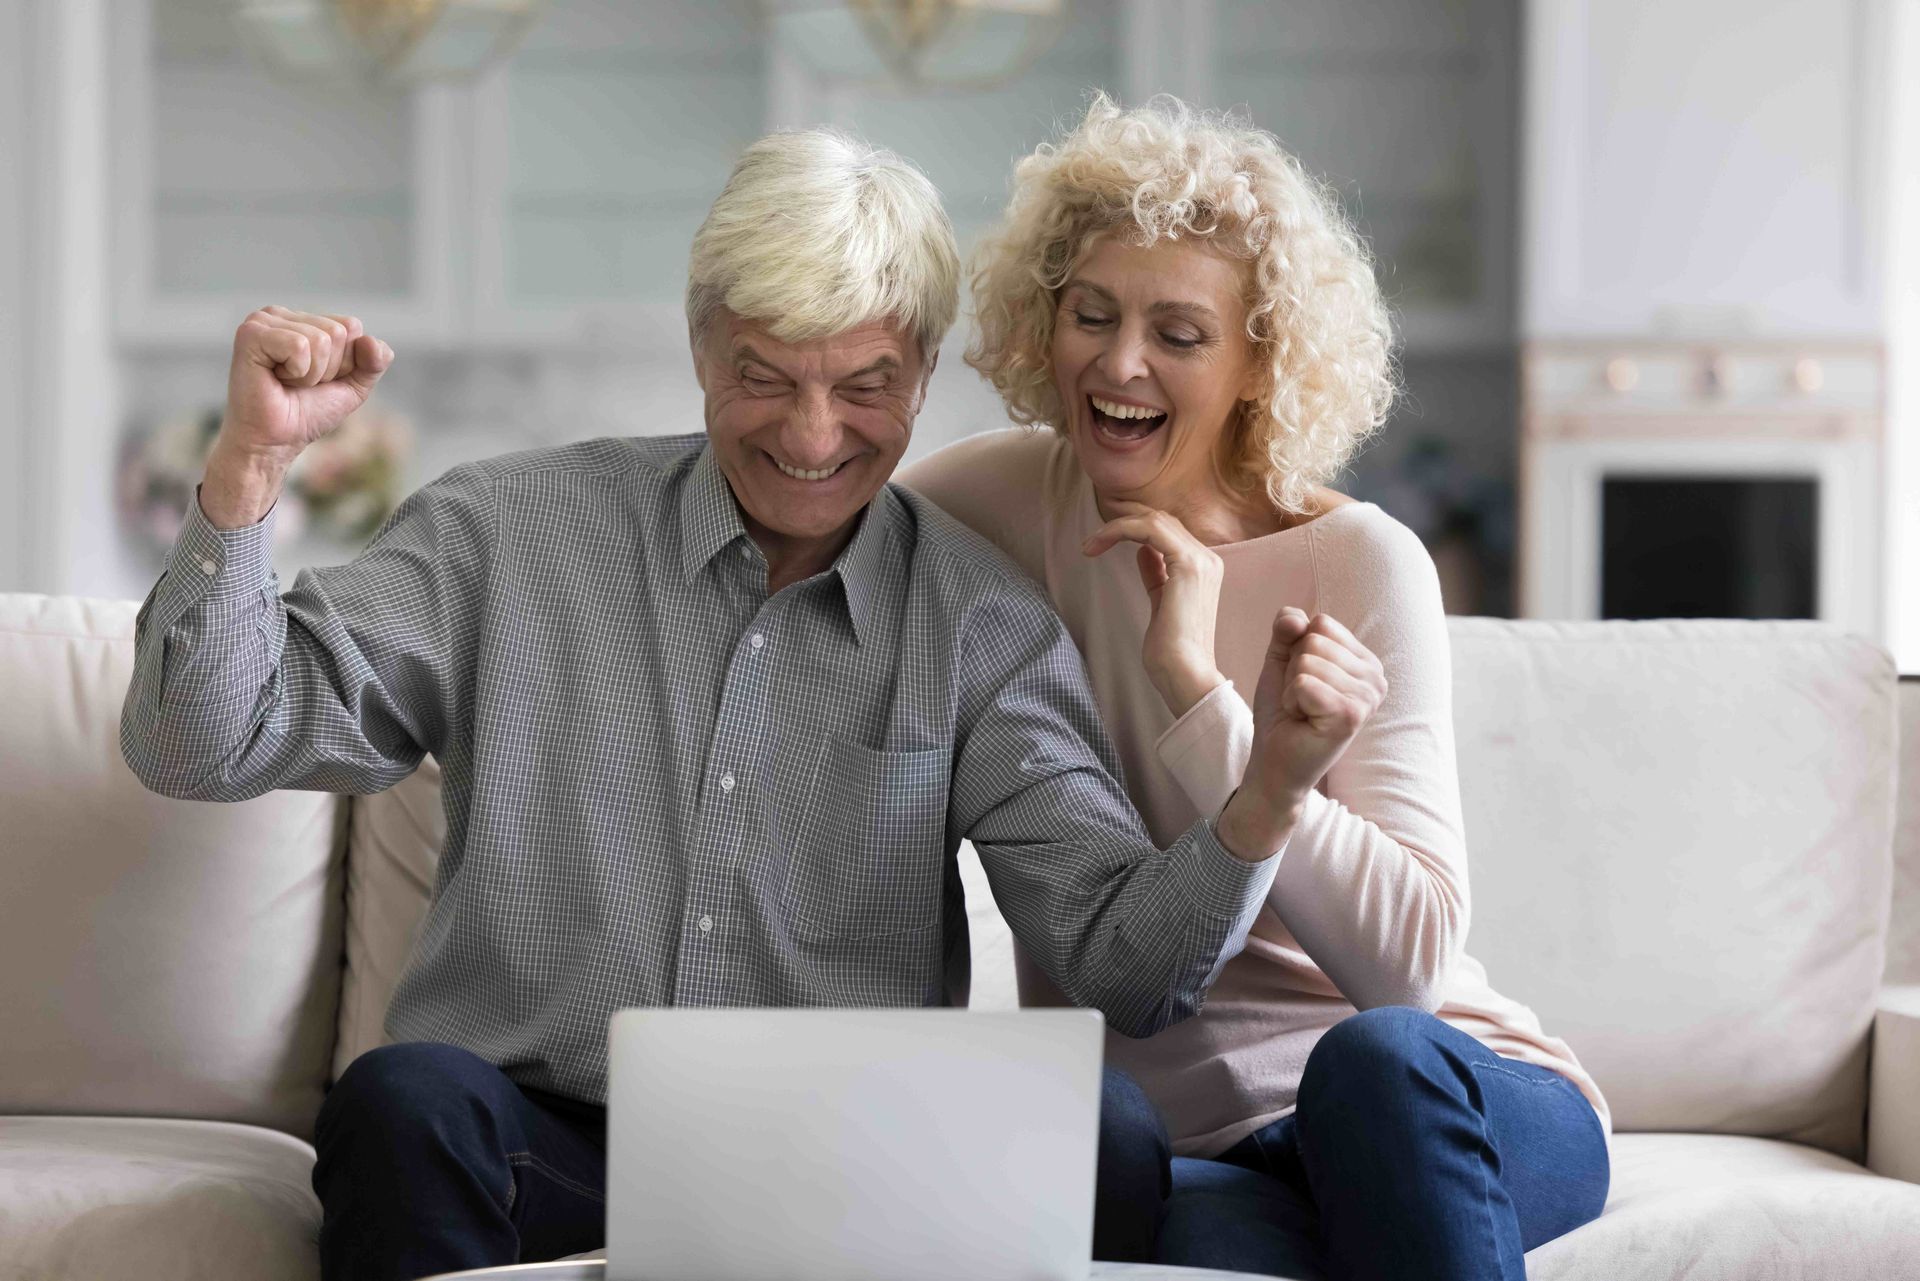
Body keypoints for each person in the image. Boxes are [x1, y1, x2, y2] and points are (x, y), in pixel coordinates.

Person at [118, 127, 1314, 1281]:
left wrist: (1264, 797)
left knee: (1099, 1131)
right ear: (701, 346)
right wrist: (248, 472)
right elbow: (200, 743)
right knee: (401, 1102)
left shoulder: (981, 627)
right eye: (764, 377)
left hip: (846, 1159)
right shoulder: (506, 535)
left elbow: (1129, 965)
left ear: (922, 377)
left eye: (864, 386)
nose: (811, 434)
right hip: (542, 1145)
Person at [901, 94, 1611, 1281]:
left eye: (1179, 335)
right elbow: (814, 513)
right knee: (1135, 1186)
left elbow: (1415, 968)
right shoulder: (1005, 503)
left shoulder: (1360, 560)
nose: (1119, 364)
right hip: (1206, 1158)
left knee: (1369, 1066)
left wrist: (1202, 698)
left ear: (1256, 365)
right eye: (1092, 315)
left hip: (1438, 1101)